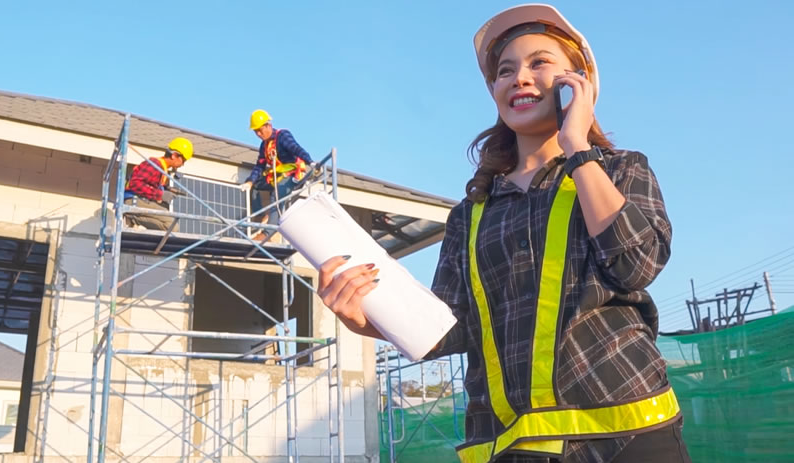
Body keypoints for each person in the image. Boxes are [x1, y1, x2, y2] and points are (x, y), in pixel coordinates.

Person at [317, 4, 690, 463]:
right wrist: (362, 319)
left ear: (579, 83)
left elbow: (636, 264)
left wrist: (577, 147)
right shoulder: (470, 214)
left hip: (628, 435)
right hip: (514, 446)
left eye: (539, 63)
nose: (518, 78)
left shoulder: (619, 170)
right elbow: (445, 331)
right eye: (505, 71)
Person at [241, 109, 315, 240]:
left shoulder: (282, 136)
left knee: (277, 196)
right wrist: (250, 181)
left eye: (260, 130)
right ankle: (261, 218)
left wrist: (310, 161)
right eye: (255, 131)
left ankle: (267, 233)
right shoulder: (264, 146)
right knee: (256, 186)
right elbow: (260, 165)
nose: (258, 134)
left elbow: (296, 148)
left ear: (268, 125)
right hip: (277, 175)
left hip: (292, 174)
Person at [124, 137, 193, 231]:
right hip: (133, 200)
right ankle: (133, 216)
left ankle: (133, 216)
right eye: (183, 160)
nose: (183, 164)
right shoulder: (155, 164)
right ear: (174, 155)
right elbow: (135, 183)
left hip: (140, 200)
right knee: (172, 227)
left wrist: (167, 188)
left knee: (168, 220)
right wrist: (161, 194)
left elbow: (149, 183)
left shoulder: (162, 168)